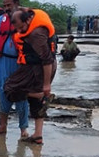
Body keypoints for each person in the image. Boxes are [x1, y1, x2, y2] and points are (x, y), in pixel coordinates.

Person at [4, 8, 58, 145]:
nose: (20, 31)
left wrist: (46, 84)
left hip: (40, 68)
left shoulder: (36, 34)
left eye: (22, 27)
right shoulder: (29, 15)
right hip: (31, 66)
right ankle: (38, 135)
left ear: (28, 20)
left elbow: (47, 60)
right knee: (36, 104)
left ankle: (40, 94)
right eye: (17, 28)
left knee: (10, 88)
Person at [0, 0, 30, 138]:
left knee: (21, 94)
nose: (6, 8)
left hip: (20, 63)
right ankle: (2, 126)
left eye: (9, 5)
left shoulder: (26, 19)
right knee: (3, 91)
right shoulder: (1, 20)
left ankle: (23, 128)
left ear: (16, 4)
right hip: (3, 62)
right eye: (4, 5)